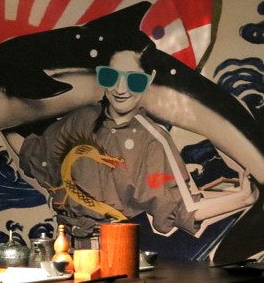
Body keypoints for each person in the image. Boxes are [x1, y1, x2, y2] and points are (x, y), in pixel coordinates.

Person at [16, 46, 258, 247]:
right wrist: (2, 123)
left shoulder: (153, 140)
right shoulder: (81, 119)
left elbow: (180, 209)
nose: (121, 89)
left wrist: (242, 199)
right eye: (111, 77)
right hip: (65, 250)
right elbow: (36, 154)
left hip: (116, 253)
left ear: (149, 79)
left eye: (134, 80)